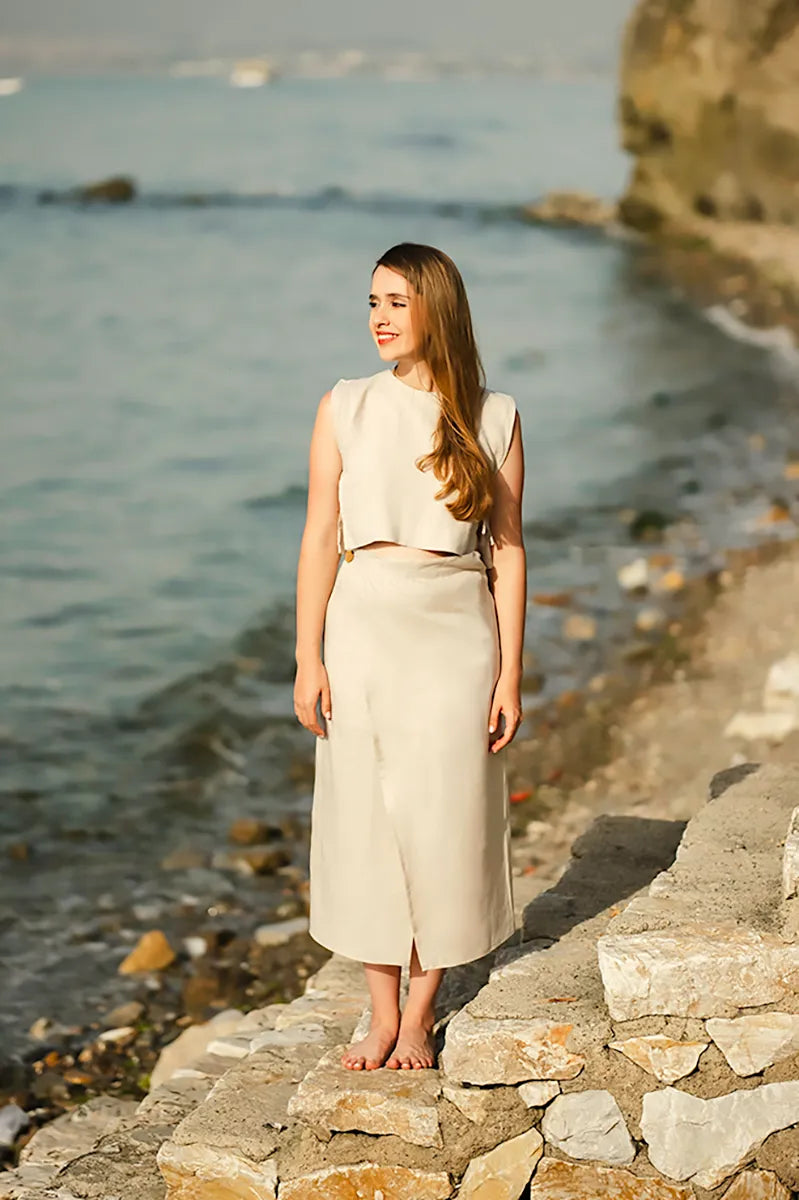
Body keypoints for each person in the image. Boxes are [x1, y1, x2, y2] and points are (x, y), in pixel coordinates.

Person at [294, 242, 526, 1072]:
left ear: (436, 307)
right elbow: (320, 534)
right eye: (370, 303)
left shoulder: (493, 417)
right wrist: (306, 658)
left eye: (395, 302)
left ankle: (420, 1016)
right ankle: (379, 1011)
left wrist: (509, 672)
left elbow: (507, 551)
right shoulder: (343, 404)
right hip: (362, 624)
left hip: (454, 632)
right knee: (363, 815)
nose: (378, 320)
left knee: (443, 814)